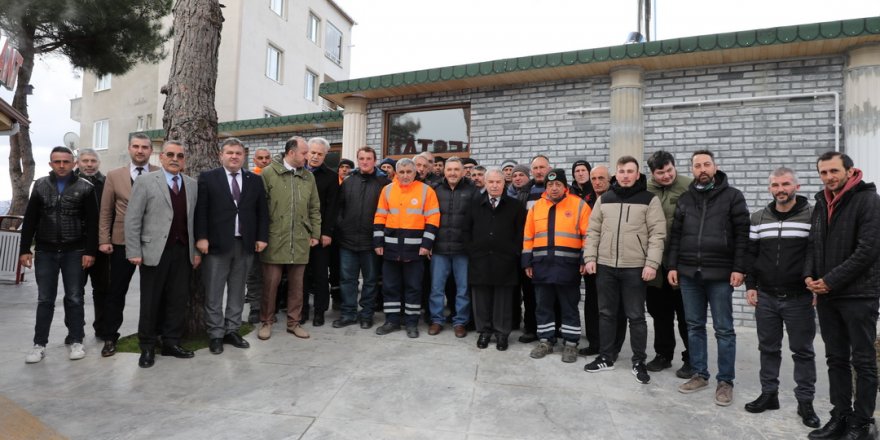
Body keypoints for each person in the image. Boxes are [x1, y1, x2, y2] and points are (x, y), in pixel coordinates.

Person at [804, 152, 880, 440]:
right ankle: (840, 416)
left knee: (862, 361)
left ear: (850, 171)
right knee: (835, 358)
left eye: (834, 171)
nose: (829, 177)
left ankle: (862, 424)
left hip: (859, 295)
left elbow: (868, 249)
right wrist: (809, 276)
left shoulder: (868, 200)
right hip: (827, 295)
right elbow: (813, 244)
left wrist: (831, 281)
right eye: (823, 172)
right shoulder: (822, 201)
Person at [668, 150, 749, 406]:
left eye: (706, 164)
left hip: (720, 274)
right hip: (690, 273)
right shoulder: (685, 199)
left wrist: (739, 268)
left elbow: (743, 236)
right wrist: (672, 266)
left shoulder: (732, 197)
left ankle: (725, 381)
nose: (702, 169)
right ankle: (700, 373)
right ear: (691, 170)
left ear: (715, 167)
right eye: (697, 165)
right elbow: (676, 237)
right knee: (694, 326)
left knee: (724, 330)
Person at [742, 167, 819, 428]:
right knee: (768, 349)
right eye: (775, 185)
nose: (780, 190)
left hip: (799, 297)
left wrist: (816, 286)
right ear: (769, 189)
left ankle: (805, 401)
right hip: (766, 297)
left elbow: (817, 253)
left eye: (785, 184)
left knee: (803, 352)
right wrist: (750, 285)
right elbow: (751, 255)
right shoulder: (758, 218)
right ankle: (769, 394)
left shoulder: (812, 216)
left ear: (796, 186)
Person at [582, 156, 666, 385]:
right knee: (606, 313)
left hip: (635, 268)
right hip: (606, 266)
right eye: (622, 171)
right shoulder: (604, 199)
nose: (626, 175)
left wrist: (651, 264)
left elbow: (657, 235)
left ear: (637, 174)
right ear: (615, 175)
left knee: (636, 316)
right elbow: (593, 231)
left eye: (630, 171)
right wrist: (590, 257)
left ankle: (639, 361)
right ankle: (606, 357)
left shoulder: (649, 200)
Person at [125, 141, 200, 368]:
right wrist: (134, 251)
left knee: (177, 300)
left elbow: (194, 221)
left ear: (184, 159)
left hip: (183, 251)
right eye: (170, 154)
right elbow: (133, 218)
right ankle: (147, 347)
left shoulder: (192, 184)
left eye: (180, 155)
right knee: (151, 301)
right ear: (162, 157)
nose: (175, 158)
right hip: (153, 252)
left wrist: (195, 251)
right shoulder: (145, 181)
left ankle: (171, 343)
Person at [20, 146, 98, 364]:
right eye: (57, 161)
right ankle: (39, 344)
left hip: (75, 251)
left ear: (74, 163)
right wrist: (25, 249)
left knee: (75, 297)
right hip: (45, 251)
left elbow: (93, 223)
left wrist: (90, 251)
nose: (62, 165)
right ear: (51, 164)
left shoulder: (86, 187)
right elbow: (30, 219)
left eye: (66, 161)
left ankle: (76, 340)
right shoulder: (40, 186)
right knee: (45, 299)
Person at [194, 138, 269, 355]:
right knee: (214, 292)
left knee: (237, 291)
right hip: (216, 245)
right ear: (221, 155)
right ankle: (216, 334)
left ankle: (232, 330)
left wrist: (262, 237)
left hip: (244, 244)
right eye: (230, 152)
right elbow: (201, 211)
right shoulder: (209, 178)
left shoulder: (254, 180)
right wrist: (202, 237)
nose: (234, 156)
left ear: (244, 156)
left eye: (238, 153)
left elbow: (262, 212)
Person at [96, 133, 158, 357]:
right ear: (129, 149)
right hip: (121, 241)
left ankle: (152, 335)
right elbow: (105, 211)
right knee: (116, 291)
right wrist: (104, 239)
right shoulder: (114, 176)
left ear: (151, 151)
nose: (140, 150)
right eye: (136, 146)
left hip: (152, 241)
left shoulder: (159, 175)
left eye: (144, 147)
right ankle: (110, 337)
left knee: (152, 292)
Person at [256, 136, 321, 341]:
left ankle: (294, 322)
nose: (308, 156)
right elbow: (259, 209)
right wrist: (261, 236)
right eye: (304, 153)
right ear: (291, 153)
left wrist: (315, 233)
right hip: (274, 237)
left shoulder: (308, 177)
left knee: (297, 285)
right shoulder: (268, 173)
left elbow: (314, 207)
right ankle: (266, 322)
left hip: (301, 237)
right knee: (271, 283)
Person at [523, 168, 590, 363]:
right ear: (545, 187)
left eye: (557, 184)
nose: (554, 188)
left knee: (569, 306)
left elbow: (589, 235)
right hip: (542, 265)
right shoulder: (536, 207)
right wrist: (527, 261)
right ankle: (545, 340)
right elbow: (528, 236)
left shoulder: (579, 205)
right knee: (543, 306)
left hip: (567, 266)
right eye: (550, 185)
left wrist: (585, 258)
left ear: (565, 186)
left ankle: (570, 344)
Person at [373, 158, 440, 338]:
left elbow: (433, 220)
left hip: (415, 250)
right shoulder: (387, 190)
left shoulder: (427, 191)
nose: (405, 175)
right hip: (390, 249)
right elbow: (380, 217)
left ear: (415, 172)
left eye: (408, 172)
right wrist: (378, 242)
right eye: (401, 172)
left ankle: (411, 323)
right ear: (396, 173)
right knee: (390, 287)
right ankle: (392, 321)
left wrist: (427, 245)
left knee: (413, 287)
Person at [645, 150, 693, 378]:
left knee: (686, 314)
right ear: (652, 173)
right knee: (659, 313)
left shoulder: (689, 186)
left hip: (682, 263)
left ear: (675, 166)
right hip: (655, 264)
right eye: (660, 173)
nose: (666, 176)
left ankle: (692, 358)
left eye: (669, 170)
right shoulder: (645, 189)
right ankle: (663, 354)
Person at [333, 147, 390, 329]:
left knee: (371, 280)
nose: (365, 161)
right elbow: (339, 208)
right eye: (361, 158)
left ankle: (367, 315)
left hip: (370, 242)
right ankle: (348, 313)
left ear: (375, 160)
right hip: (347, 241)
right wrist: (342, 225)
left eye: (368, 158)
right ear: (358, 160)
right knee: (347, 280)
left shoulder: (384, 183)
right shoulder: (348, 182)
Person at [469, 168, 526, 350]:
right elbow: (466, 231)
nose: (494, 185)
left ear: (504, 184)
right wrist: (473, 251)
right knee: (482, 298)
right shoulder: (474, 204)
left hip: (505, 260)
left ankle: (502, 334)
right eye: (491, 182)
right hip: (480, 259)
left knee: (503, 299)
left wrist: (514, 251)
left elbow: (520, 232)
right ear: (485, 184)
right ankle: (485, 332)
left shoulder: (515, 206)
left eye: (498, 182)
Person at [578, 163, 626, 357]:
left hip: (613, 259)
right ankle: (594, 342)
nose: (597, 182)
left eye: (601, 178)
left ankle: (614, 345)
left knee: (615, 305)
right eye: (594, 179)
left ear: (610, 179)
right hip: (591, 259)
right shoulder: (587, 200)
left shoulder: (618, 199)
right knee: (591, 303)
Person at [427, 157, 477, 337]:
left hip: (462, 250)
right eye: (450, 170)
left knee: (463, 289)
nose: (453, 173)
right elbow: (429, 218)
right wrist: (429, 243)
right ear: (444, 171)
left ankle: (460, 322)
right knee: (436, 288)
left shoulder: (472, 191)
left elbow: (475, 222)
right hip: (439, 248)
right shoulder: (435, 189)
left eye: (457, 169)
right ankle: (437, 320)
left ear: (463, 172)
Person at [303, 137, 340, 327]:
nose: (315, 157)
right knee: (299, 275)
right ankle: (301, 311)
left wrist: (327, 233)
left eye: (320, 154)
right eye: (313, 152)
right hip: (300, 234)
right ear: (306, 152)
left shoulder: (331, 177)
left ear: (325, 155)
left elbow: (332, 208)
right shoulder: (297, 171)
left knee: (320, 275)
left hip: (320, 235)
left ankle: (319, 311)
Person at [516, 155, 553, 343]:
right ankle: (530, 328)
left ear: (549, 168)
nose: (539, 171)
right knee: (529, 293)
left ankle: (554, 329)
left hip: (552, 251)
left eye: (542, 167)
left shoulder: (557, 190)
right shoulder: (523, 191)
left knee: (551, 294)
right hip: (530, 249)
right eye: (535, 168)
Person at [74, 148, 109, 340]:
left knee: (102, 290)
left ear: (98, 163)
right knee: (74, 291)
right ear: (78, 162)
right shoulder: (70, 183)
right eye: (85, 160)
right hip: (76, 246)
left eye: (93, 161)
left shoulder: (106, 183)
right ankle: (75, 330)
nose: (89, 164)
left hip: (102, 246)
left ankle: (101, 328)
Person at [245, 147, 274, 323]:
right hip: (254, 232)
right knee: (254, 272)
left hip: (274, 231)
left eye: (267, 157)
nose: (264, 160)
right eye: (260, 158)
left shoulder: (276, 177)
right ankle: (255, 307)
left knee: (273, 273)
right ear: (254, 160)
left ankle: (272, 306)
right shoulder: (249, 178)